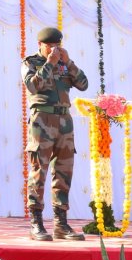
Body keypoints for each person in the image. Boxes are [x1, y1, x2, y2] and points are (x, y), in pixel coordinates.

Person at [22, 26, 88, 241]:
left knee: (63, 170)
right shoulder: (30, 63)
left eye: (56, 46)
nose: (54, 50)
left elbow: (83, 84)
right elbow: (34, 86)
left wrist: (68, 63)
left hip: (64, 120)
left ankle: (61, 223)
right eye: (49, 46)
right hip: (42, 118)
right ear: (39, 45)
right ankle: (37, 223)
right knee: (38, 170)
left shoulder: (64, 64)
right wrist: (49, 63)